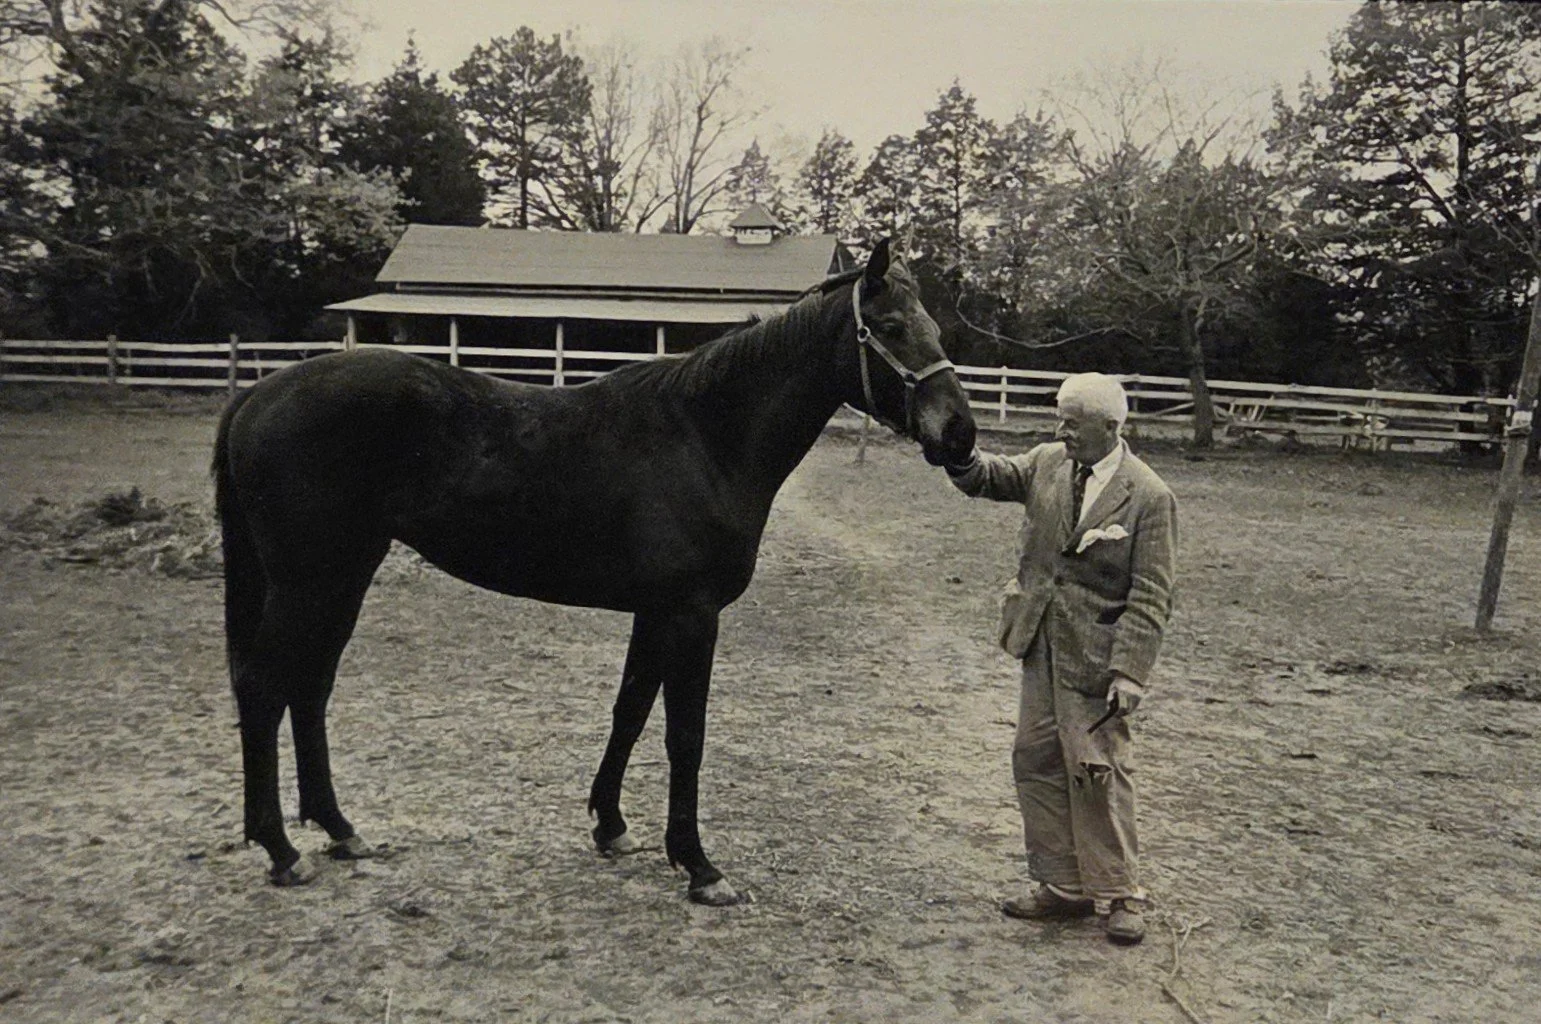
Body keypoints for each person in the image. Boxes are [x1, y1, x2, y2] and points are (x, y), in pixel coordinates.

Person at [943, 372, 1177, 945]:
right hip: (1038, 641)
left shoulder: (1148, 496)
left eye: (1073, 422)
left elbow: (1151, 593)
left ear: (1111, 427)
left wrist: (1129, 671)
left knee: (1097, 770)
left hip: (1097, 661)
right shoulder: (1048, 461)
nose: (1061, 429)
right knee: (1035, 758)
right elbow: (989, 477)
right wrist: (953, 450)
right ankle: (1063, 886)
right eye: (1060, 418)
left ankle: (1122, 893)